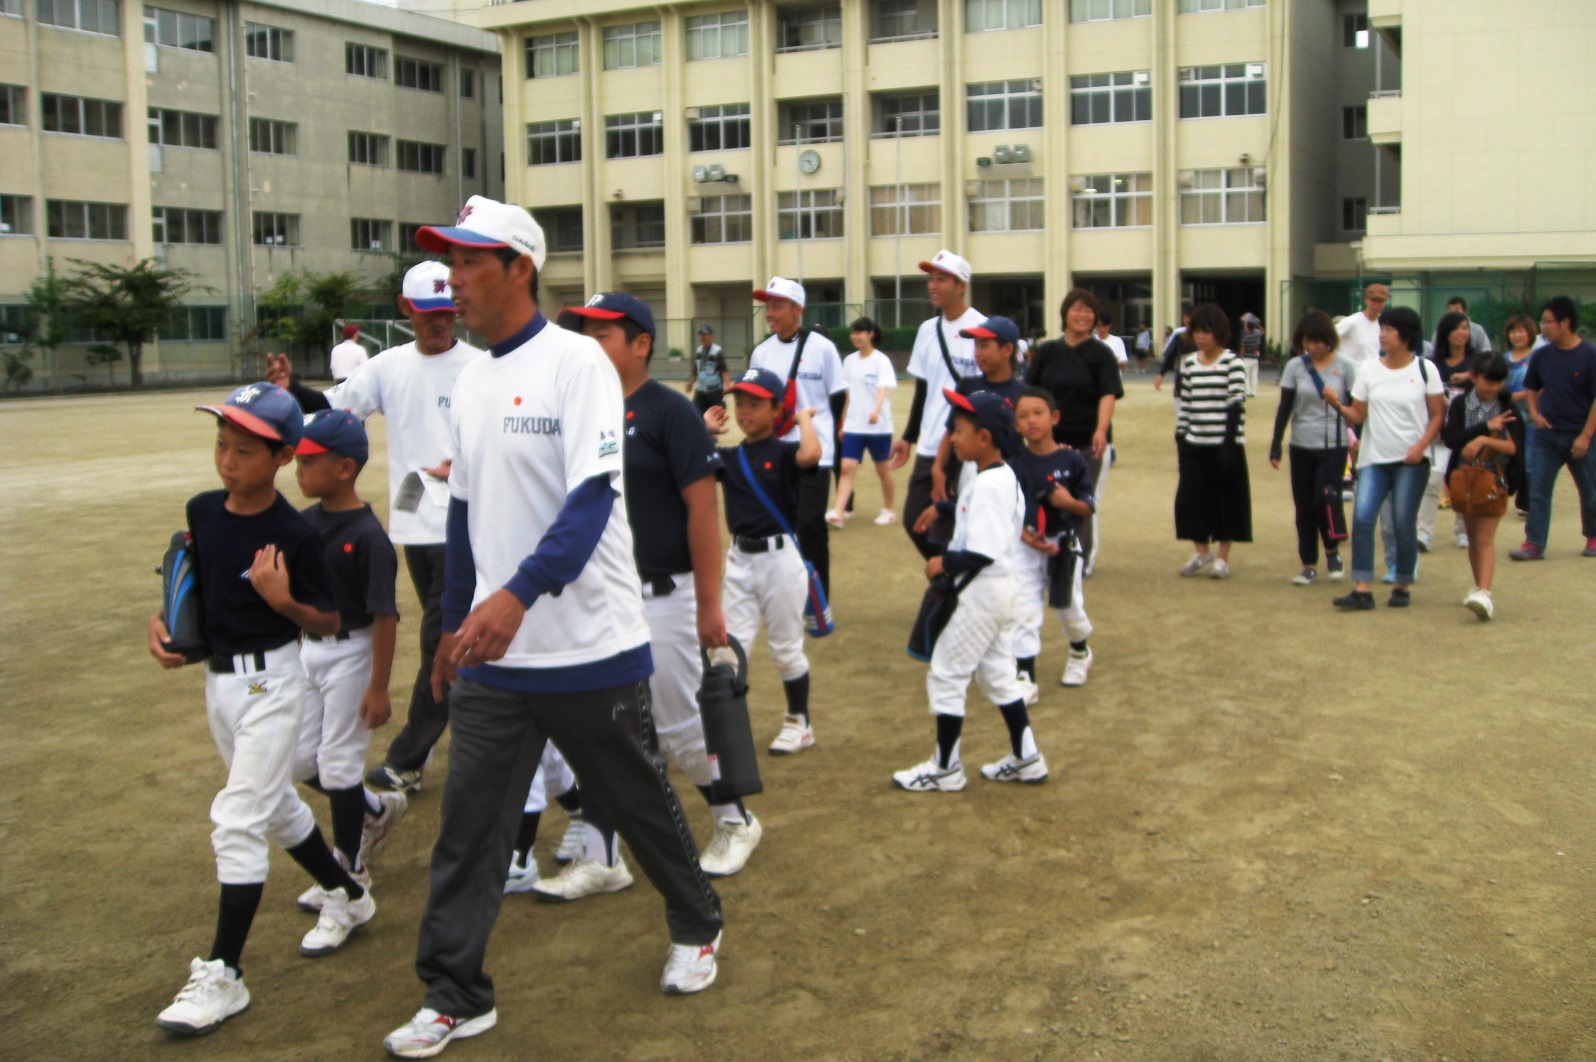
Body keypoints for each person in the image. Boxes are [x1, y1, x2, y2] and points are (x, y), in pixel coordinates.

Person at [382, 197, 725, 1060]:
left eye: (467, 263)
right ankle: (456, 991)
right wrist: (455, 626)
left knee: (639, 798)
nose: (452, 280)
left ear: (518, 267)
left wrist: (520, 594)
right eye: (448, 264)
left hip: (590, 646)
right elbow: (462, 516)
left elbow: (590, 502)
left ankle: (697, 921)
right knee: (471, 828)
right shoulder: (472, 377)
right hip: (497, 658)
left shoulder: (578, 365)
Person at [147, 382, 371, 1037]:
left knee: (238, 820)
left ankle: (224, 974)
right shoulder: (203, 510)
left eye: (244, 450)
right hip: (218, 684)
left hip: (273, 687)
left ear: (280, 457)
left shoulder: (293, 533)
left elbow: (330, 619)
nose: (226, 461)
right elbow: (187, 589)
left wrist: (283, 601)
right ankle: (349, 895)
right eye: (221, 445)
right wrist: (162, 626)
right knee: (274, 806)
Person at [552, 291, 762, 881]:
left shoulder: (670, 412)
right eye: (583, 334)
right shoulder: (578, 409)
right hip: (602, 593)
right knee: (602, 725)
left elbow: (702, 509)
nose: (588, 345)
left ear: (641, 343)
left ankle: (734, 819)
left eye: (602, 335)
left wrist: (710, 604)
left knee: (676, 724)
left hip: (667, 593)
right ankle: (602, 855)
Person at [310, 263, 487, 798]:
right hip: (414, 527)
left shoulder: (482, 366)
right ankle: (476, 725)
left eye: (446, 313)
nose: (438, 324)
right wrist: (286, 394)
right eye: (427, 313)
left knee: (442, 635)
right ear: (404, 309)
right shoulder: (387, 368)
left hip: (468, 525)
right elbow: (333, 413)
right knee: (449, 634)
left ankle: (411, 756)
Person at [288, 410, 406, 925]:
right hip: (309, 649)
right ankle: (376, 810)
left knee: (338, 764)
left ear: (344, 469)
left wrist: (379, 687)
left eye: (309, 460)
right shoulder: (305, 522)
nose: (297, 468)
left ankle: (349, 873)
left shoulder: (369, 535)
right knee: (296, 759)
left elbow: (385, 615)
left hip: (352, 652)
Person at [896, 389, 1046, 791]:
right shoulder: (997, 476)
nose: (953, 437)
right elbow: (974, 511)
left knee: (947, 673)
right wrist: (945, 508)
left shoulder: (989, 485)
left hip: (980, 594)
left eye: (960, 430)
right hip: (1001, 592)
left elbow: (982, 550)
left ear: (986, 438)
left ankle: (945, 768)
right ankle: (1027, 757)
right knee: (999, 676)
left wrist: (941, 562)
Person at [715, 368, 822, 756]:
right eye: (739, 403)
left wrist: (804, 420)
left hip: (779, 560)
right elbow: (689, 457)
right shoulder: (729, 456)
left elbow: (811, 454)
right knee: (729, 648)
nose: (744, 411)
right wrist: (707, 427)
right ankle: (728, 727)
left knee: (785, 648)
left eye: (755, 404)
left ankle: (799, 721)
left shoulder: (782, 451)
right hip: (740, 558)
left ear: (777, 409)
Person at [1324, 305, 1445, 610]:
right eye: (1383, 328)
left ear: (1406, 336)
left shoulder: (1425, 370)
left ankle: (1402, 582)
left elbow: (1437, 415)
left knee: (1403, 522)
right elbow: (1358, 414)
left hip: (1411, 461)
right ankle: (1363, 588)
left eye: (1390, 329)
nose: (1383, 334)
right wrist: (1337, 402)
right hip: (1374, 458)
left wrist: (1421, 446)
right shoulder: (1369, 370)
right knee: (1363, 518)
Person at [747, 277, 846, 597]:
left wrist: (831, 444)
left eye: (777, 306)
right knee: (779, 525)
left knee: (809, 525)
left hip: (816, 452)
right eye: (767, 306)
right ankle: (786, 591)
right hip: (776, 453)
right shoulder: (761, 353)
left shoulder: (823, 349)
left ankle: (818, 596)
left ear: (797, 309)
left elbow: (837, 398)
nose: (769, 313)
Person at [887, 250, 986, 559]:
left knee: (954, 520)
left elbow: (986, 393)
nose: (933, 285)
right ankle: (948, 583)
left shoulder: (982, 328)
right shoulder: (927, 330)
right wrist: (908, 437)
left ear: (961, 285)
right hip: (930, 443)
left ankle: (952, 586)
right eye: (931, 278)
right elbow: (924, 389)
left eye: (941, 279)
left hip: (965, 445)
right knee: (914, 518)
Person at [1026, 289, 1123, 576]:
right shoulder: (1047, 351)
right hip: (1049, 443)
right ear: (1065, 313)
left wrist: (1101, 430)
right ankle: (1049, 554)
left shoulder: (1101, 354)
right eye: (1077, 309)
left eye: (1089, 311)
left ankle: (1081, 560)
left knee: (1082, 501)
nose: (1083, 315)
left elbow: (1108, 394)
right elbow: (1032, 393)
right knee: (1044, 498)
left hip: (1086, 442)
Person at [1009, 386, 1097, 690]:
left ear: (1054, 418)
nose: (1031, 420)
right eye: (1023, 416)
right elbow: (1007, 511)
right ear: (1015, 425)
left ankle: (1079, 651)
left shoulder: (1072, 461)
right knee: (1023, 608)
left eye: (1038, 413)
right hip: (1025, 546)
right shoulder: (1014, 464)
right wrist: (1026, 537)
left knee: (1068, 606)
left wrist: (1068, 503)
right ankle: (1025, 674)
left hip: (1063, 546)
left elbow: (1087, 506)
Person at [1269, 310, 1355, 586]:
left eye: (1318, 341)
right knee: (1303, 505)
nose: (1313, 347)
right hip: (1301, 444)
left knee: (1324, 499)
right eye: (1307, 341)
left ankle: (1332, 549)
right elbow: (1285, 407)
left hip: (1334, 444)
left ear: (1329, 340)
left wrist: (1360, 440)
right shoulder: (1295, 367)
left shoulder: (1346, 366)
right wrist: (1276, 445)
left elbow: (1356, 408)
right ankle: (1308, 564)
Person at [1509, 295, 1596, 561]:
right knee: (1538, 490)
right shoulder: (1542, 355)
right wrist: (1535, 414)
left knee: (1590, 490)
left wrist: (1585, 436)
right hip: (1547, 436)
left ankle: (1593, 538)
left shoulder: (1590, 355)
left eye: (1547, 322)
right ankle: (1534, 543)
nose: (1542, 327)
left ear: (1565, 323)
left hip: (1581, 436)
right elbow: (1531, 388)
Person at [1441, 354, 1523, 620]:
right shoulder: (1461, 404)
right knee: (1473, 537)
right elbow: (1451, 438)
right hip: (1464, 477)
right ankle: (1479, 587)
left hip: (1494, 479)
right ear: (1474, 377)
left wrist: (1484, 442)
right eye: (1489, 381)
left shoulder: (1507, 405)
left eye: (1499, 382)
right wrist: (1485, 428)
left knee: (1485, 538)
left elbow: (1514, 447)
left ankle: (1484, 592)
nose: (1495, 387)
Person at [1173, 304, 1252, 579]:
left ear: (1219, 332)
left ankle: (1222, 558)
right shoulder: (1189, 363)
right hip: (1195, 442)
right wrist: (1181, 436)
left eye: (1206, 332)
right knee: (1190, 500)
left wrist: (1229, 444)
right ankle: (1202, 551)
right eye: (1197, 331)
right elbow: (1186, 403)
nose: (1200, 337)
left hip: (1224, 444)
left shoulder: (1233, 363)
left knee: (1226, 501)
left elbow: (1235, 404)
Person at [829, 316, 898, 529]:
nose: (855, 337)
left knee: (882, 469)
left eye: (859, 332)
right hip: (854, 426)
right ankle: (839, 511)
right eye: (853, 333)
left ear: (871, 334)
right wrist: (843, 423)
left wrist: (876, 411)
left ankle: (888, 510)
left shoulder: (881, 360)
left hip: (878, 427)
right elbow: (848, 396)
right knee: (847, 467)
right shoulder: (849, 361)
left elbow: (882, 389)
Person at [1419, 311, 1478, 551]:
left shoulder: (1477, 360)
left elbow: (1491, 385)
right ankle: (1424, 534)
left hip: (1468, 430)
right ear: (1445, 333)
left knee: (1465, 483)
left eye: (1465, 327)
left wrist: (1470, 376)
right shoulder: (1432, 363)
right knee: (1432, 482)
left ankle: (1463, 530)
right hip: (1439, 431)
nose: (1462, 333)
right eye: (1456, 328)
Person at [1503, 312, 1539, 515]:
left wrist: (1520, 396)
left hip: (1531, 415)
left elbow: (1542, 386)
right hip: (1509, 417)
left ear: (1530, 333)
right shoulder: (1503, 358)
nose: (1517, 335)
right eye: (1513, 331)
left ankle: (1530, 503)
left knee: (1530, 462)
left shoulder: (1537, 357)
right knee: (1509, 460)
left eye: (1521, 331)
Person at [1334, 283, 1389, 365]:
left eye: (1380, 301)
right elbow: (1326, 338)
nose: (1376, 304)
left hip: (1373, 373)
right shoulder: (1352, 321)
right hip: (1352, 374)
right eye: (1373, 300)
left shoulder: (1383, 324)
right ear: (1366, 300)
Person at [686, 324, 729, 415]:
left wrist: (728, 385)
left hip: (714, 390)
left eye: (705, 335)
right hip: (701, 390)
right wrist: (690, 383)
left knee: (716, 416)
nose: (702, 337)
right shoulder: (699, 351)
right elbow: (696, 370)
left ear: (711, 336)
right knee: (696, 414)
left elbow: (723, 370)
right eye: (701, 335)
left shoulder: (717, 351)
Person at [1154, 305, 1196, 391]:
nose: (1188, 320)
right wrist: (1161, 374)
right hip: (1182, 377)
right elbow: (1170, 355)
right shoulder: (1179, 335)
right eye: (1185, 317)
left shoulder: (1206, 336)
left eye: (1190, 317)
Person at [1238, 312, 1264, 397]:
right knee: (1254, 375)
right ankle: (1254, 391)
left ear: (1248, 328)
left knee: (1247, 375)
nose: (1244, 327)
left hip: (1247, 357)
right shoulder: (1257, 333)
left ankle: (1247, 391)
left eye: (1245, 326)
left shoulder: (1245, 337)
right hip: (1255, 357)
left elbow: (1242, 348)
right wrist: (1257, 324)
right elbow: (1262, 331)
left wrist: (1240, 357)